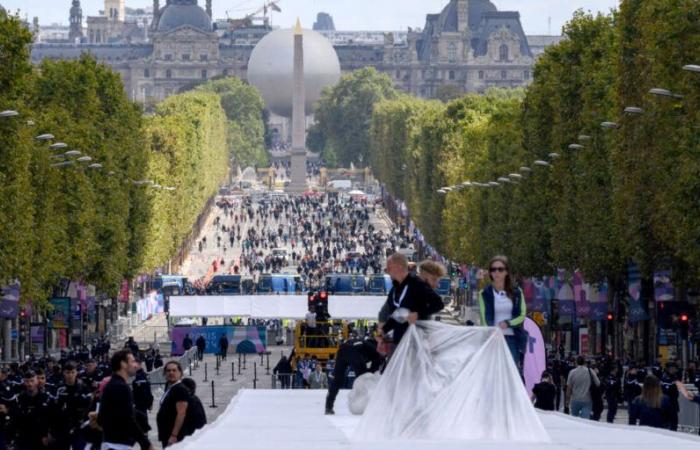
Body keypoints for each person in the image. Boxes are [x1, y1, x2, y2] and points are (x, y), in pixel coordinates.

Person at [377, 253, 444, 349]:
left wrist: (418, 314)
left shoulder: (417, 287)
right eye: (434, 280)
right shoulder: (399, 289)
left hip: (416, 344)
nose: (437, 285)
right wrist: (382, 333)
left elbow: (438, 304)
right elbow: (394, 316)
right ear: (424, 277)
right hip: (402, 344)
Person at [97, 350, 153, 450]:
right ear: (123, 364)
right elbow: (127, 418)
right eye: (132, 361)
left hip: (114, 444)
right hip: (117, 445)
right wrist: (146, 443)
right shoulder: (120, 386)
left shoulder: (114, 384)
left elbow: (104, 417)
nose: (135, 365)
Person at [478, 255, 527, 367]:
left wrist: (508, 323)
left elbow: (522, 315)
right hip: (493, 339)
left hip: (512, 340)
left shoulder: (517, 292)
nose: (497, 272)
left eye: (500, 269)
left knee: (511, 372)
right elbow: (485, 319)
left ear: (506, 272)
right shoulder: (484, 294)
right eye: (493, 269)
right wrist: (493, 331)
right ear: (490, 273)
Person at [325, 337, 383, 415]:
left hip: (342, 350)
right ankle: (364, 405)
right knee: (363, 379)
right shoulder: (375, 349)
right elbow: (374, 370)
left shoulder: (363, 343)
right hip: (354, 352)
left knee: (337, 380)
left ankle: (328, 407)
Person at [53, 362, 92, 450]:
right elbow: (56, 408)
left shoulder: (83, 387)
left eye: (72, 372)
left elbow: (88, 405)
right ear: (63, 373)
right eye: (67, 372)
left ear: (76, 373)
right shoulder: (59, 388)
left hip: (79, 426)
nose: (70, 375)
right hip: (63, 426)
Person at [14, 371, 53, 450]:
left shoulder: (46, 398)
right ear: (24, 382)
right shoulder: (19, 399)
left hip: (42, 438)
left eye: (32, 381)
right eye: (27, 381)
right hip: (24, 439)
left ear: (37, 381)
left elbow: (52, 418)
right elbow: (15, 420)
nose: (30, 384)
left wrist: (49, 434)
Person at [156, 361, 190, 448]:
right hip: (166, 434)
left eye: (174, 370)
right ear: (164, 373)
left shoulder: (180, 389)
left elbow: (181, 413)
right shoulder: (170, 388)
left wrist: (174, 435)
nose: (171, 373)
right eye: (168, 370)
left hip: (175, 436)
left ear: (180, 373)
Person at [132, 358, 154, 433]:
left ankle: (143, 431)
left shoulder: (140, 376)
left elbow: (144, 391)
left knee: (140, 416)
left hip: (140, 401)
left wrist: (149, 402)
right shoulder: (144, 375)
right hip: (142, 401)